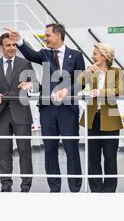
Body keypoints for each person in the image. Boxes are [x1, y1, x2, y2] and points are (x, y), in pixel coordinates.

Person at [6, 24, 85, 192]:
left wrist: (66, 90)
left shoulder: (76, 55)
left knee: (71, 149)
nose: (45, 38)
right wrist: (19, 40)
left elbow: (81, 81)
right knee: (49, 149)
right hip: (47, 109)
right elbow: (30, 54)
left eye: (47, 35)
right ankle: (54, 189)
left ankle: (75, 188)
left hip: (68, 110)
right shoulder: (45, 54)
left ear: (58, 35)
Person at [0, 33, 36, 192]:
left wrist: (30, 86)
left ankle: (26, 186)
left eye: (14, 45)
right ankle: (6, 186)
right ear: (2, 47)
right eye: (8, 45)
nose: (12, 48)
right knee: (4, 152)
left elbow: (37, 84)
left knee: (25, 151)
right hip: (1, 115)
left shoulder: (25, 63)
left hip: (22, 113)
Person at [77, 43, 123, 193]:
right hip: (92, 118)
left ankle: (109, 190)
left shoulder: (117, 72)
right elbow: (78, 84)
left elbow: (119, 90)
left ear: (104, 56)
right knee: (93, 157)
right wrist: (86, 71)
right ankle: (95, 189)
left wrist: (100, 92)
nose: (92, 56)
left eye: (95, 53)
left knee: (110, 157)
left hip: (110, 118)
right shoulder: (92, 71)